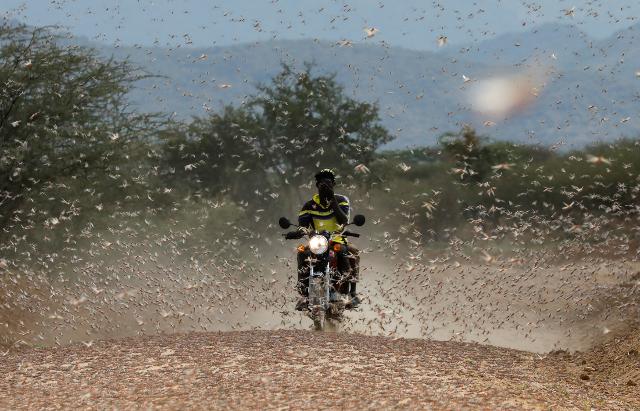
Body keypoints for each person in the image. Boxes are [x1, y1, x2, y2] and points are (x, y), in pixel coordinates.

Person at [293, 169, 360, 310]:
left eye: (328, 184)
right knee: (301, 252)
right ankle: (304, 294)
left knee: (351, 252)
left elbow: (343, 219)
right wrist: (297, 232)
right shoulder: (309, 205)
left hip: (337, 240)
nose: (325, 187)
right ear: (317, 186)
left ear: (334, 184)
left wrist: (332, 198)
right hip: (317, 242)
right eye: (322, 184)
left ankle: (351, 293)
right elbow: (302, 226)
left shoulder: (342, 201)